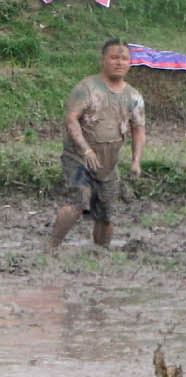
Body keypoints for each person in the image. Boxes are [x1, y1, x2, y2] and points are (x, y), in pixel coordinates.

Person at [46, 39, 146, 252]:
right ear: (103, 60)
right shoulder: (87, 88)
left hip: (108, 162)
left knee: (106, 214)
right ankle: (50, 248)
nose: (119, 62)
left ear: (130, 63)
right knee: (79, 201)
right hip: (79, 156)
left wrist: (136, 160)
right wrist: (85, 149)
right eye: (114, 57)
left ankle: (100, 254)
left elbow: (138, 129)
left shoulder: (134, 96)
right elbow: (71, 119)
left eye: (124, 58)